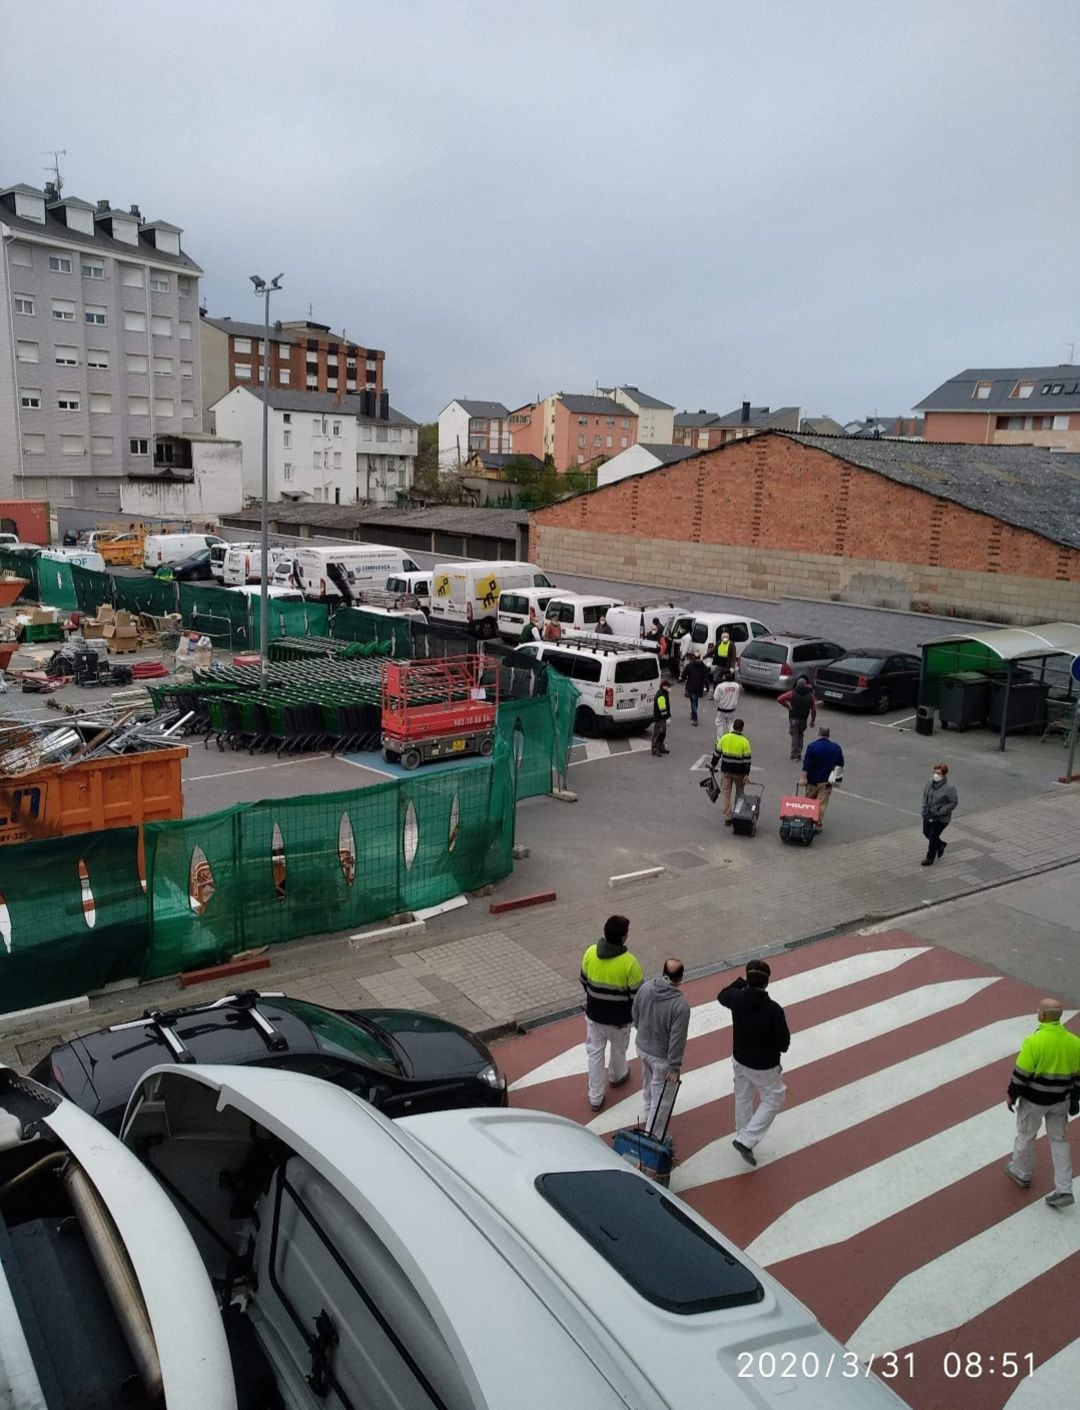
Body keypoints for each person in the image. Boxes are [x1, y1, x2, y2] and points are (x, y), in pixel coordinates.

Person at [1004, 997, 1080, 1208]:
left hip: (1034, 1101)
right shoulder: (1075, 1043)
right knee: (1059, 1140)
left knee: (1026, 1135)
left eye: (1039, 1010)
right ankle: (1064, 1188)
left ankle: (1021, 1172)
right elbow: (1078, 1078)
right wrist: (1074, 1098)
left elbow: (1021, 1075)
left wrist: (1012, 1095)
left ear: (1044, 1015)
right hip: (1060, 1101)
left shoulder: (1034, 1041)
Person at [718, 958, 791, 1166]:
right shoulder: (774, 1010)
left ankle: (743, 1133)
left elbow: (721, 995)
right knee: (774, 1099)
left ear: (748, 979)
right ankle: (746, 1139)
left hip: (739, 1058)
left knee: (743, 1097)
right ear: (767, 982)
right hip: (765, 1066)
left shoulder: (736, 998)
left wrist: (740, 983)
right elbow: (784, 1044)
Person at [580, 915, 644, 1112]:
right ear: (623, 938)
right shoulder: (630, 963)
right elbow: (637, 997)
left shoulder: (590, 953)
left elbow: (583, 981)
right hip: (619, 1021)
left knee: (594, 1054)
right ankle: (617, 1076)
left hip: (594, 1016)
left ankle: (595, 1097)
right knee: (618, 1050)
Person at [632, 957, 691, 1134]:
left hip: (642, 1047)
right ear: (680, 978)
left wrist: (642, 1032)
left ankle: (647, 1110)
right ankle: (653, 1135)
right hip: (661, 1057)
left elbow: (635, 1012)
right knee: (662, 1097)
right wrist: (674, 1067)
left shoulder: (645, 988)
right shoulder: (680, 1006)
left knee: (648, 1080)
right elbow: (677, 1039)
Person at [800, 725, 844, 832]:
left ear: (819, 734)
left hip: (812, 781)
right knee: (821, 804)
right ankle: (817, 824)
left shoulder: (812, 747)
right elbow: (840, 764)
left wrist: (803, 778)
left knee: (808, 801)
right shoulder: (836, 748)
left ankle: (805, 820)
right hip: (826, 782)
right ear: (828, 736)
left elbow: (807, 765)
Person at [714, 717, 752, 825]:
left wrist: (713, 764)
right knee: (740, 793)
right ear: (742, 728)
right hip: (739, 772)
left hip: (726, 770)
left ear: (733, 727)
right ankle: (737, 813)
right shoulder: (745, 742)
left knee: (726, 793)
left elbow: (717, 753)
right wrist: (746, 774)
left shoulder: (725, 738)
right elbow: (747, 761)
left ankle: (727, 816)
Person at [921, 762, 958, 866]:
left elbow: (953, 802)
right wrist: (924, 810)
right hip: (928, 814)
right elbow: (925, 797)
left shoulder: (949, 788)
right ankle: (941, 844)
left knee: (933, 837)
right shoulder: (929, 783)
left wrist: (941, 811)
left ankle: (930, 858)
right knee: (926, 832)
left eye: (939, 773)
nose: (936, 775)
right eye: (935, 772)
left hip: (940, 818)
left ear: (944, 775)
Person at [778, 676, 817, 760]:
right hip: (803, 719)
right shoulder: (810, 696)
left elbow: (780, 699)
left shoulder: (792, 693)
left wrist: (788, 706)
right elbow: (814, 710)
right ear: (805, 685)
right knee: (800, 735)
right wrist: (812, 721)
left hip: (793, 718)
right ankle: (799, 752)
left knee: (794, 736)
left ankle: (794, 754)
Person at [681, 651, 709, 727]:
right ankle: (694, 713)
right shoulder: (704, 667)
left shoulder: (690, 666)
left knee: (693, 702)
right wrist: (707, 688)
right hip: (699, 688)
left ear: (693, 657)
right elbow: (706, 679)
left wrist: (682, 679)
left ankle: (695, 718)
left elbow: (683, 674)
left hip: (691, 686)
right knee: (695, 701)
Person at [713, 668, 741, 738]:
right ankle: (732, 739)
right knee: (731, 723)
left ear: (724, 676)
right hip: (732, 709)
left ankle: (720, 741)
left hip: (722, 709)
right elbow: (737, 695)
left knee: (720, 724)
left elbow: (716, 698)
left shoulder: (720, 686)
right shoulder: (736, 686)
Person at [651, 677, 672, 755]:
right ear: (664, 686)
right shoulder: (661, 696)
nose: (670, 688)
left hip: (662, 718)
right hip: (660, 718)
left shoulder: (664, 694)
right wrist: (667, 718)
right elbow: (662, 709)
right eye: (668, 686)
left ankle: (660, 747)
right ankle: (655, 749)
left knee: (663, 733)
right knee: (657, 734)